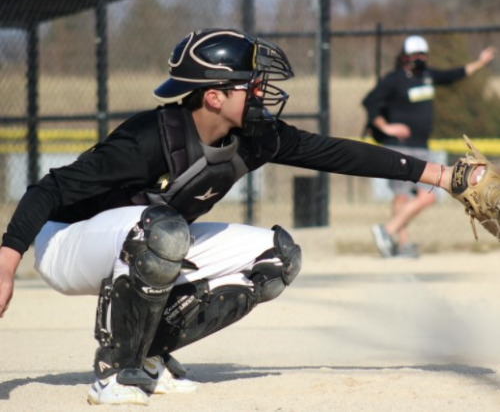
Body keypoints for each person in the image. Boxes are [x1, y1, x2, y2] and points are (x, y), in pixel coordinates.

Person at [0, 28, 466, 406]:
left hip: (148, 238)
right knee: (162, 228)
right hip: (66, 243)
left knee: (275, 259)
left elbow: (335, 154)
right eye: (251, 82)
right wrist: (6, 264)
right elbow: (50, 188)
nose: (263, 89)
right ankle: (115, 370)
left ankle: (148, 354)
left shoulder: (255, 137)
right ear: (214, 97)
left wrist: (441, 175)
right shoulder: (149, 138)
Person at [363, 35, 496, 258]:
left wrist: (480, 62)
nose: (420, 59)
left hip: (421, 146)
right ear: (405, 56)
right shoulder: (394, 79)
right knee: (402, 196)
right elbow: (370, 102)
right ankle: (401, 244)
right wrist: (386, 127)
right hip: (399, 146)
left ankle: (387, 232)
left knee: (428, 195)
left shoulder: (427, 76)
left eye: (423, 54)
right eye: (416, 55)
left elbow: (454, 74)